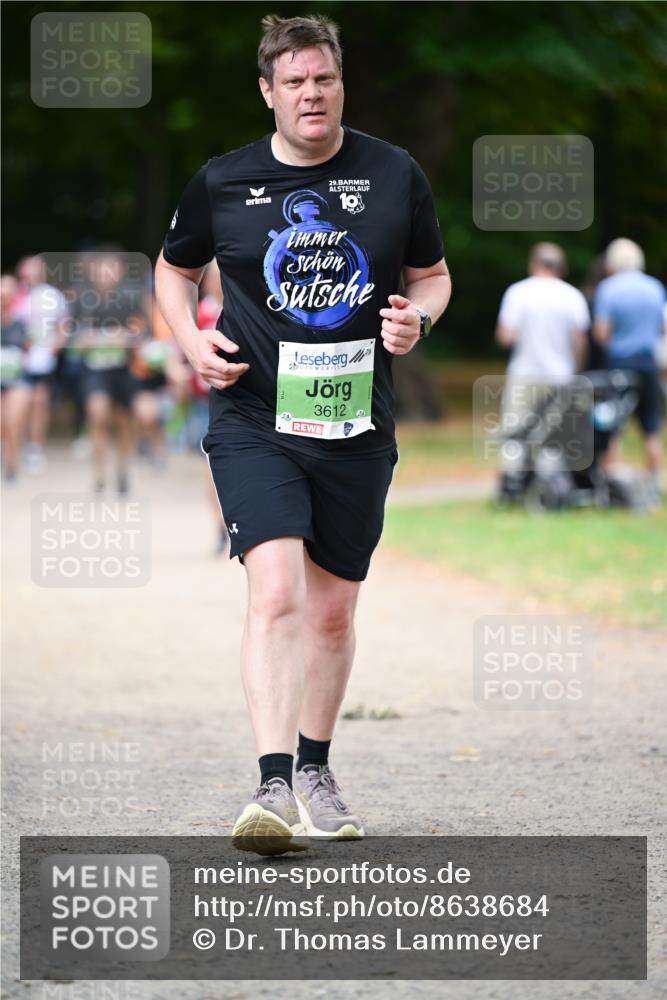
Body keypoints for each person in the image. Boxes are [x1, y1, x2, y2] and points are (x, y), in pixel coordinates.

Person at [155, 14, 451, 856]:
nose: (310, 94)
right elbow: (173, 270)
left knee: (331, 611)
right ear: (268, 92)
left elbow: (431, 277)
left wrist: (415, 322)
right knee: (276, 589)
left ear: (339, 83)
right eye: (293, 82)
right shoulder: (223, 181)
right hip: (254, 415)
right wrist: (189, 339)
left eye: (322, 79)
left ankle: (318, 767)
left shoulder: (393, 174)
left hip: (356, 422)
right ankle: (273, 783)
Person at [495, 243, 590, 484]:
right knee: (553, 432)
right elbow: (579, 340)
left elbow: (505, 336)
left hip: (524, 372)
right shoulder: (572, 296)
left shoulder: (518, 292)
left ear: (533, 264)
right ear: (561, 267)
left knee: (515, 427)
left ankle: (513, 481)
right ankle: (549, 484)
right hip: (560, 375)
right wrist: (576, 371)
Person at [592, 238, 666, 503]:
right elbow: (662, 328)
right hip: (648, 366)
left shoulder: (608, 289)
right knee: (651, 428)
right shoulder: (655, 288)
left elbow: (601, 333)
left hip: (619, 367)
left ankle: (610, 486)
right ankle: (654, 486)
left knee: (611, 428)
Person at [0, 274, 30, 480]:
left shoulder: (22, 323)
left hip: (17, 379)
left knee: (13, 421)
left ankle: (13, 463)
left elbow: (28, 349)